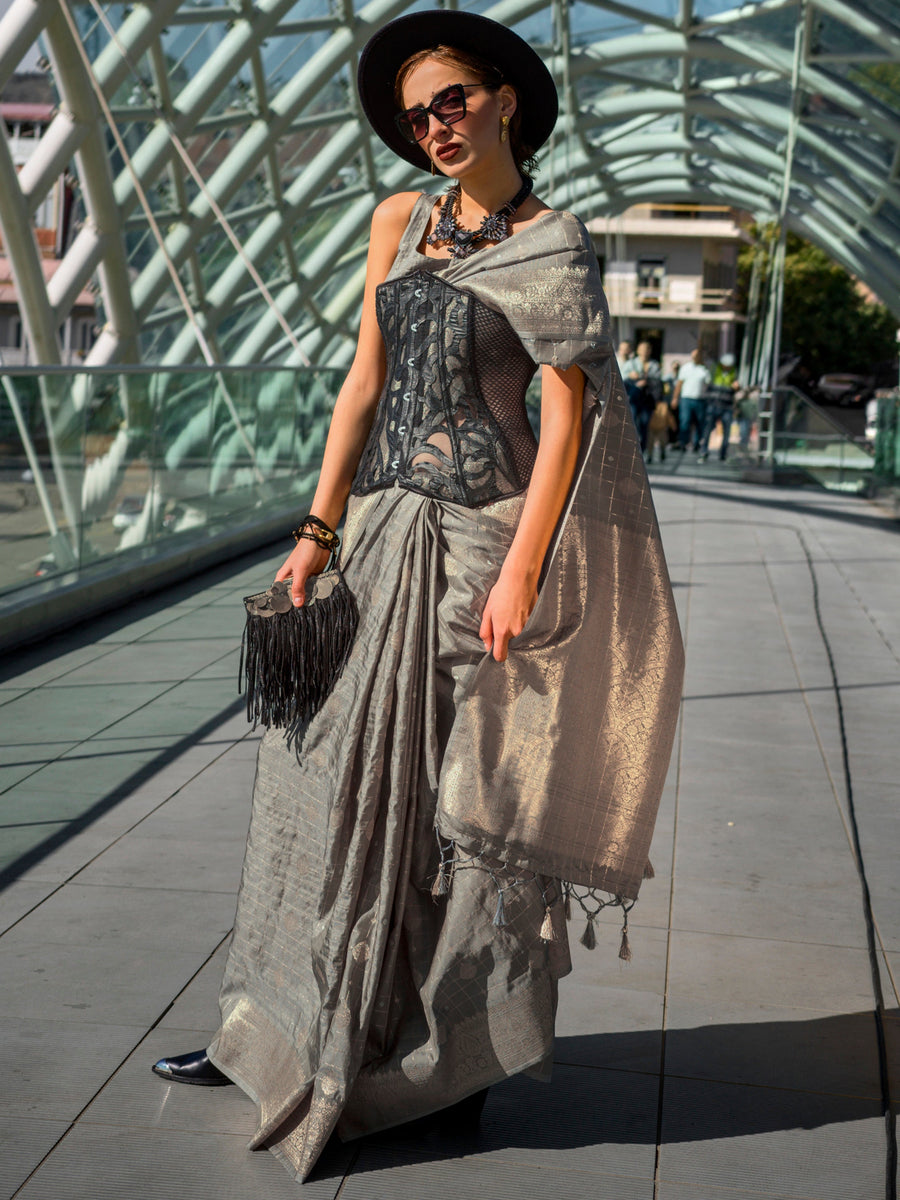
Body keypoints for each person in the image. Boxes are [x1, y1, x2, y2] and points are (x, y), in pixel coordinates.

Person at [151, 10, 683, 1185]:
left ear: (505, 99)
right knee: (325, 791)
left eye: (450, 100)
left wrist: (524, 571)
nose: (431, 125)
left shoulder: (556, 242)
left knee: (461, 821)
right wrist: (314, 531)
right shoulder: (400, 221)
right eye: (413, 114)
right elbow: (362, 385)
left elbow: (566, 417)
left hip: (480, 553)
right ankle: (276, 1034)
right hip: (380, 544)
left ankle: (442, 1068)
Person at [698, 351, 739, 462]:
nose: (726, 367)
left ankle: (723, 454)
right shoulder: (715, 370)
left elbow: (737, 387)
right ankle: (704, 451)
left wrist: (737, 387)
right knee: (708, 429)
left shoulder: (734, 372)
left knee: (726, 431)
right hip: (713, 404)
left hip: (727, 406)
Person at [623, 340, 662, 451]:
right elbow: (622, 378)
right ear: (638, 350)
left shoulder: (654, 365)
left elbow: (658, 381)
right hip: (634, 398)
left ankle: (642, 448)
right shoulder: (631, 364)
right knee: (633, 422)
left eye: (647, 349)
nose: (645, 351)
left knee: (645, 423)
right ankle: (631, 447)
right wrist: (631, 376)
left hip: (647, 398)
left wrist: (647, 381)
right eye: (643, 349)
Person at [673, 347, 711, 452]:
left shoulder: (705, 369)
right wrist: (675, 398)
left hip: (700, 399)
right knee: (685, 421)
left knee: (699, 422)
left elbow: (708, 383)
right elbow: (679, 384)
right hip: (686, 398)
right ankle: (683, 443)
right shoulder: (685, 368)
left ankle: (696, 443)